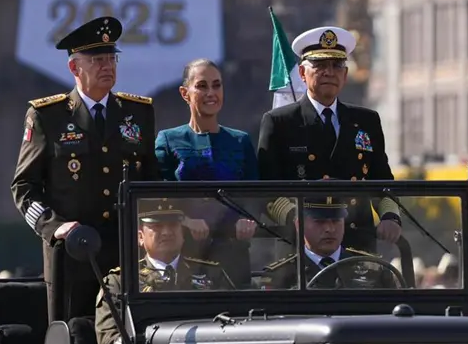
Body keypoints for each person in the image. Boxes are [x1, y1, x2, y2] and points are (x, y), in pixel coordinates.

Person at [11, 16, 159, 344]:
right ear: (74, 67)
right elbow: (24, 187)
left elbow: (152, 184)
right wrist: (53, 226)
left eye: (112, 58)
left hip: (128, 251)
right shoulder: (49, 116)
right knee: (76, 343)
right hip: (74, 253)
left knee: (132, 339)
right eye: (97, 60)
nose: (107, 66)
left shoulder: (137, 114)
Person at [257, 26, 402, 253]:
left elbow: (382, 180)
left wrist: (390, 216)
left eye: (336, 66)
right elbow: (267, 189)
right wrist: (297, 219)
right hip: (300, 245)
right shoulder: (280, 122)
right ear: (303, 74)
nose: (329, 72)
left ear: (345, 75)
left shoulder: (366, 121)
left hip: (357, 243)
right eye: (320, 65)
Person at [154, 59, 259, 286]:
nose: (211, 92)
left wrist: (246, 219)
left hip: (233, 252)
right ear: (185, 93)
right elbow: (157, 196)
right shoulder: (168, 139)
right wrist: (184, 220)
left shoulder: (240, 141)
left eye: (217, 85)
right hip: (186, 253)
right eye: (202, 86)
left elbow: (255, 194)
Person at [95, 200, 234, 344]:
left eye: (173, 226)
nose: (167, 232)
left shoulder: (211, 273)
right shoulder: (119, 281)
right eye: (157, 227)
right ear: (140, 237)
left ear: (182, 235)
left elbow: (235, 318)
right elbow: (109, 337)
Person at [261, 197, 399, 290]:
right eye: (319, 222)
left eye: (336, 221)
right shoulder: (279, 276)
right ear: (299, 224)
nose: (330, 229)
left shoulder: (375, 271)